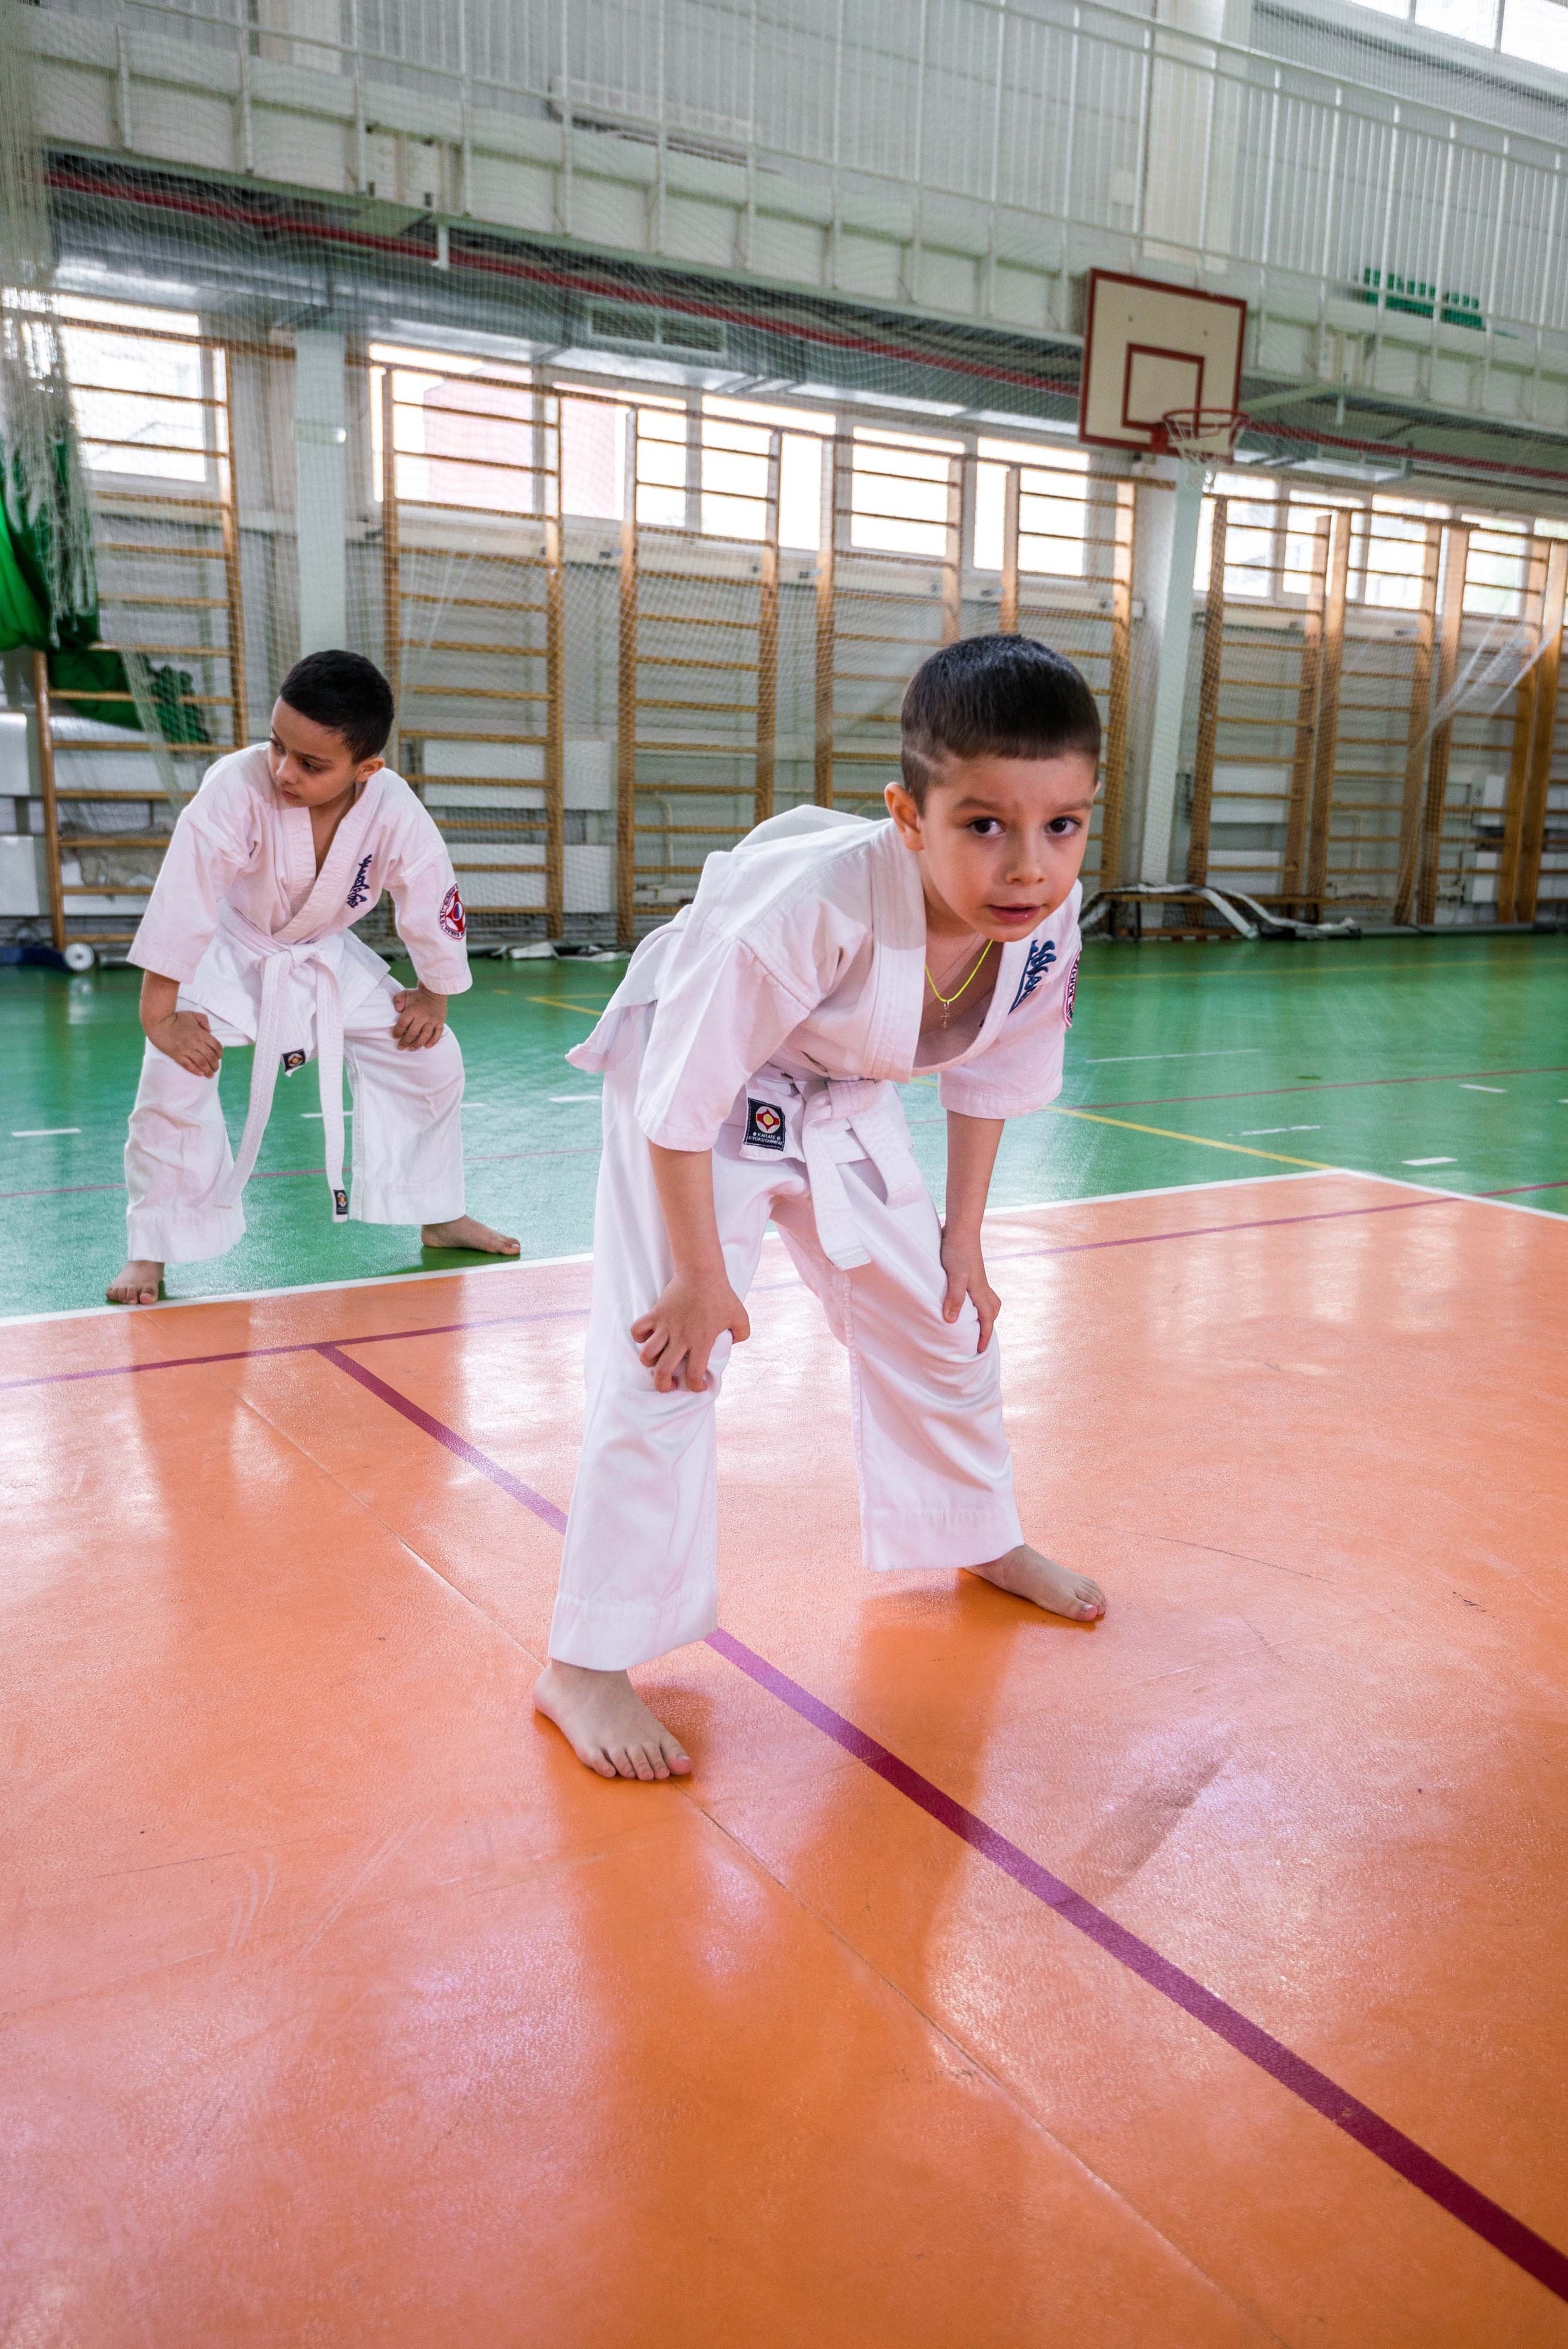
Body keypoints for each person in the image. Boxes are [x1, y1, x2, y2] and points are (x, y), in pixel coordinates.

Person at [534, 633, 1105, 1782]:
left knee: (944, 1322)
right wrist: (701, 1277)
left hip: (836, 1089)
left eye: (1063, 825)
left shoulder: (1045, 917)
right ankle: (585, 1663)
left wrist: (963, 1238)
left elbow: (994, 1071)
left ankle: (977, 1535)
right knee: (670, 1359)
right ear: (909, 812)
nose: (1028, 867)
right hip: (699, 1083)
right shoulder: (808, 904)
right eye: (984, 825)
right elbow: (681, 1096)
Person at [106, 649, 517, 1305]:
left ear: (367, 768)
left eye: (310, 763)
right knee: (173, 1074)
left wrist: (432, 996)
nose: (283, 771)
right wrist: (162, 1014)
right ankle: (152, 1249)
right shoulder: (235, 787)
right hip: (232, 948)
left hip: (325, 954)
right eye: (277, 746)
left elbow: (430, 890)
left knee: (431, 1060)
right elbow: (185, 896)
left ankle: (436, 1210)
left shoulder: (392, 807)